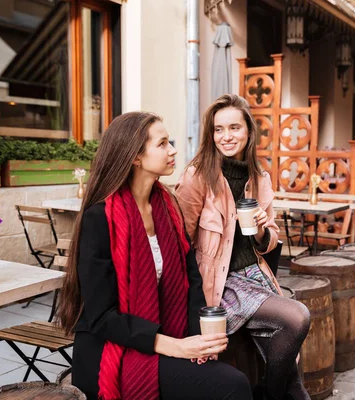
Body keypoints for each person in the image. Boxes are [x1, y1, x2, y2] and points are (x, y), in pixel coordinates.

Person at [58, 112, 252, 400]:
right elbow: (101, 317)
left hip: (163, 335)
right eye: (162, 144)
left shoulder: (167, 207)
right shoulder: (99, 219)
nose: (173, 150)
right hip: (111, 350)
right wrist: (175, 347)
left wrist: (196, 337)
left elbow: (192, 280)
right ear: (136, 157)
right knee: (232, 385)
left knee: (227, 371)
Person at [175, 94, 311, 400]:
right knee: (297, 316)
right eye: (218, 129)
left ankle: (270, 393)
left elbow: (272, 239)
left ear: (248, 131)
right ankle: (267, 394)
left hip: (257, 277)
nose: (226, 136)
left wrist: (263, 230)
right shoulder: (198, 176)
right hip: (221, 284)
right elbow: (179, 239)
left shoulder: (259, 178)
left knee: (295, 384)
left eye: (234, 127)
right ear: (211, 135)